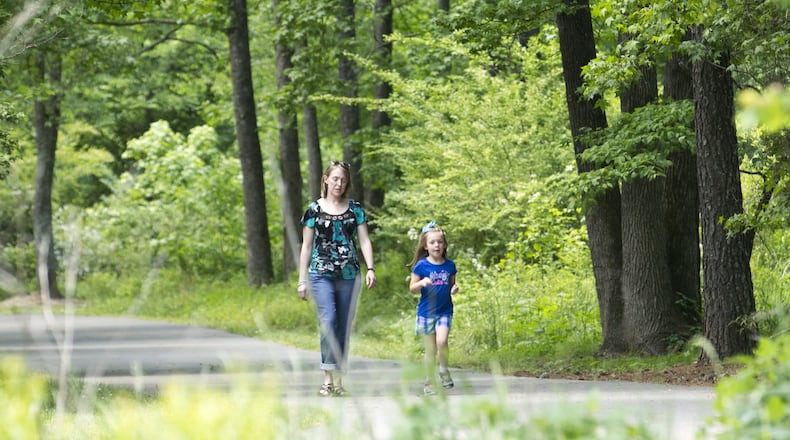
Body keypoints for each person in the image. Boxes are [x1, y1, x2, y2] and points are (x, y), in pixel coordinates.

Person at [297, 160, 376, 397]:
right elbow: (307, 246)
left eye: (343, 180)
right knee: (329, 320)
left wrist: (370, 268)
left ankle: (339, 381)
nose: (339, 184)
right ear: (326, 180)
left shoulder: (355, 209)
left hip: (349, 275)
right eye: (335, 179)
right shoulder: (314, 210)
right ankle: (327, 379)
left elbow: (364, 241)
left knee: (343, 326)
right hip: (320, 274)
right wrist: (302, 280)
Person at [409, 221, 459, 395]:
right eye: (432, 242)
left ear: (445, 245)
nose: (436, 245)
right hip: (426, 313)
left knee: (442, 341)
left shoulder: (450, 265)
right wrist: (422, 282)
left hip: (445, 311)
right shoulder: (421, 266)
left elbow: (452, 284)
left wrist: (454, 288)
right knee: (430, 350)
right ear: (425, 245)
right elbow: (412, 288)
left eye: (439, 242)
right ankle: (429, 382)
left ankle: (444, 370)